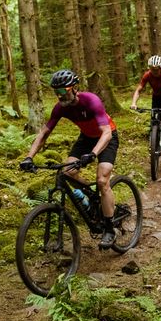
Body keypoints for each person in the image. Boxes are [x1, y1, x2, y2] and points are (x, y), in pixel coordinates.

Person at [19, 69, 119, 248]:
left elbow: (106, 133)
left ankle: (110, 229)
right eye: (56, 93)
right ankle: (90, 195)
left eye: (63, 91)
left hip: (107, 137)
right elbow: (44, 133)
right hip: (87, 138)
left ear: (74, 89)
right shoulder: (60, 108)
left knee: (102, 180)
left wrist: (94, 154)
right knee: (67, 170)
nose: (60, 96)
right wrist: (29, 157)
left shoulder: (91, 101)